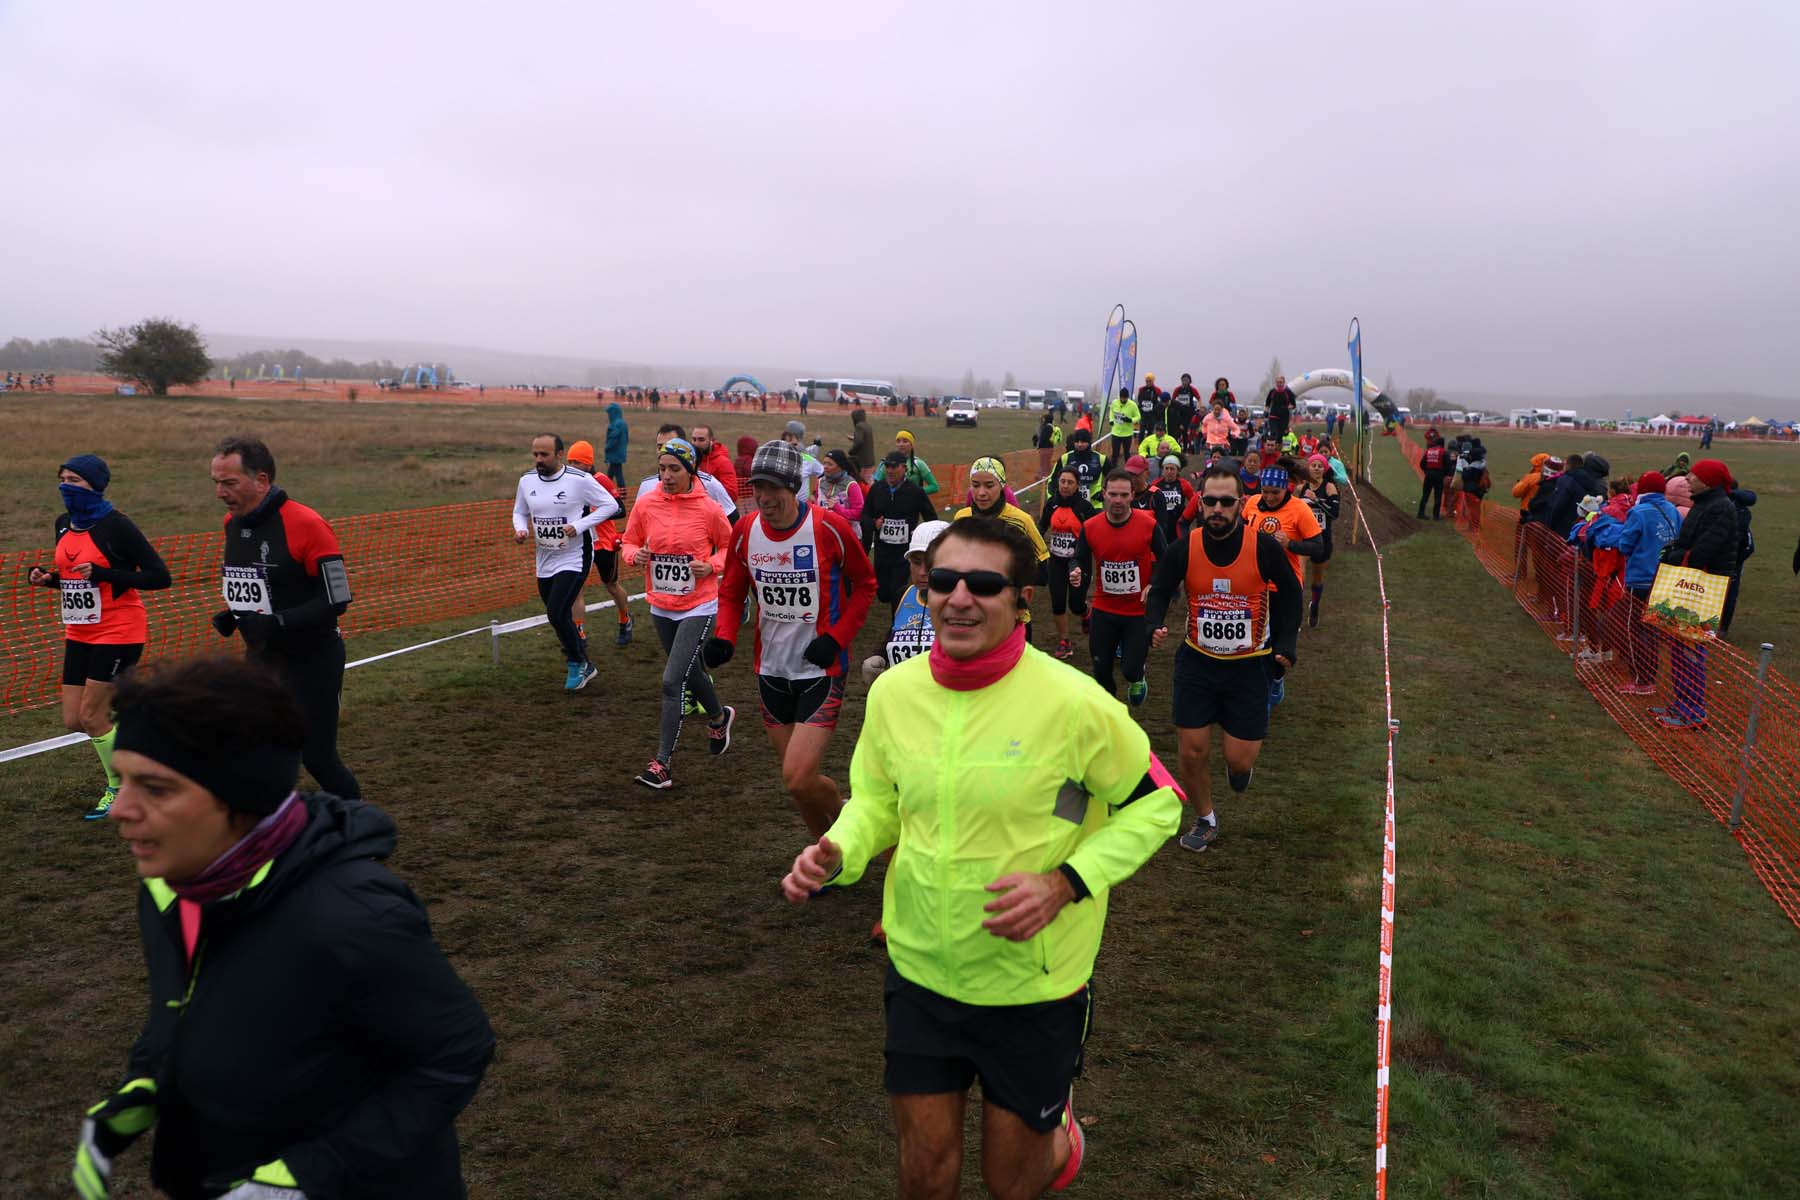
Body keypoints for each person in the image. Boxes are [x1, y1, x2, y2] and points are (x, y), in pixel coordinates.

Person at [780, 516, 1182, 1200]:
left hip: (1033, 988)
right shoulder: (893, 694)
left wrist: (1066, 882)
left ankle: (1058, 1137)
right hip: (921, 971)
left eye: (985, 584)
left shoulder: (1075, 702)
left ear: (1022, 599)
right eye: (943, 580)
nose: (959, 597)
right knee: (923, 1176)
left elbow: (1159, 803)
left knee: (1012, 1185)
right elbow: (878, 802)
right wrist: (837, 850)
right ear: (924, 588)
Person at [75, 656, 493, 1200]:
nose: (120, 809)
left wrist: (306, 1174)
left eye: (155, 788)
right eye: (123, 780)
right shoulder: (169, 887)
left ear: (241, 798)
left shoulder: (351, 916)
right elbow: (185, 1007)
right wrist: (144, 1085)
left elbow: (454, 1053)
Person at [710, 440, 875, 836]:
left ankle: (853, 824)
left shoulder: (827, 527)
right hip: (770, 670)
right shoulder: (745, 531)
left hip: (821, 668)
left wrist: (836, 639)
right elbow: (731, 592)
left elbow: (866, 584)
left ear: (793, 487)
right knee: (796, 785)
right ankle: (828, 854)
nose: (764, 498)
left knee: (800, 778)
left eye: (772, 488)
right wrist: (724, 636)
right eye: (757, 488)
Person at [1146, 464, 1303, 852]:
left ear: (1239, 504)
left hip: (1249, 666)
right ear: (1200, 503)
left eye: (1226, 502)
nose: (1218, 508)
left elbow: (1290, 592)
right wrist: (1153, 623)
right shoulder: (1185, 546)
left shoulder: (1262, 547)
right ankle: (1205, 818)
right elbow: (1162, 588)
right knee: (1191, 749)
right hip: (1197, 662)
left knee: (1238, 759)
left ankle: (1240, 771)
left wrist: (1285, 643)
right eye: (1210, 501)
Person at [207, 436, 360, 801]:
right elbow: (261, 586)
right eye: (216, 482)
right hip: (262, 659)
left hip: (313, 659)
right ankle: (269, 837)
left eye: (229, 483)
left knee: (318, 759)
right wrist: (236, 615)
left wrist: (278, 623)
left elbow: (337, 599)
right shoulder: (233, 523)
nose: (219, 492)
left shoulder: (307, 524)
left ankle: (361, 835)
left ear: (261, 481)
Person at [26, 453, 171, 819]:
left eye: (74, 480)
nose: (65, 487)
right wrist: (50, 580)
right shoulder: (63, 524)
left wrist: (107, 574)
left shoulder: (118, 526)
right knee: (74, 720)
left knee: (92, 717)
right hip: (80, 629)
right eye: (62, 479)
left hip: (120, 628)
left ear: (95, 484)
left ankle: (120, 788)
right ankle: (145, 741)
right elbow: (79, 579)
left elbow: (159, 576)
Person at [621, 438, 736, 788]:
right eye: (662, 468)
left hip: (699, 605)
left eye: (674, 469)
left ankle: (662, 764)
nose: (667, 476)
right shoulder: (646, 503)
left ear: (690, 471)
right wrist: (633, 556)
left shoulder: (708, 508)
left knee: (672, 681)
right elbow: (627, 540)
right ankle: (719, 718)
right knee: (689, 669)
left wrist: (711, 565)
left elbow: (731, 548)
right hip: (660, 604)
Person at [510, 434, 622, 690]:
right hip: (545, 557)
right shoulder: (527, 481)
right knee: (557, 614)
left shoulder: (579, 480)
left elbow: (611, 505)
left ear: (559, 454)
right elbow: (520, 510)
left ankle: (576, 662)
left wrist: (580, 525)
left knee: (557, 611)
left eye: (544, 455)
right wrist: (521, 529)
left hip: (575, 555)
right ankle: (584, 660)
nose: (538, 460)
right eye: (535, 454)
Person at [1655, 458, 1739, 730]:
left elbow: (1703, 550)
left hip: (1702, 589)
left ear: (1709, 481)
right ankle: (1681, 702)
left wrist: (1675, 555)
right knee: (1679, 647)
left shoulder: (1721, 509)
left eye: (1693, 475)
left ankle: (1693, 710)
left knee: (1690, 649)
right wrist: (1673, 550)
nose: (1688, 479)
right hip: (1689, 582)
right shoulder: (1704, 504)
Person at [1073, 470, 1166, 705]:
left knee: (1129, 669)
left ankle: (1138, 678)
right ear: (1103, 494)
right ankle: (1112, 709)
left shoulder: (1148, 525)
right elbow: (1079, 559)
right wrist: (1075, 572)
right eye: (1112, 494)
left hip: (1137, 612)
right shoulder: (1091, 527)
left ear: (1132, 495)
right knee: (1101, 670)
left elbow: (1167, 560)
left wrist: (1153, 584)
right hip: (1104, 610)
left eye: (1123, 495)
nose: (1117, 500)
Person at [1592, 472, 1681, 693]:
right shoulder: (1672, 510)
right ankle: (1649, 676)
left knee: (1634, 629)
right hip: (1665, 577)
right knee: (1652, 630)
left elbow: (1625, 545)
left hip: (1640, 580)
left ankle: (1642, 679)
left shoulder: (1638, 512)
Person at [1246, 463, 1324, 708]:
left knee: (1280, 649)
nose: (1269, 497)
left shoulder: (1299, 509)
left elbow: (1318, 547)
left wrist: (1290, 543)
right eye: (1265, 491)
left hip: (1285, 589)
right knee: (1257, 646)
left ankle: (1277, 679)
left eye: (1275, 493)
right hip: (1254, 586)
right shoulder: (1251, 504)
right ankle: (1260, 695)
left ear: (1286, 490)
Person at [954, 457, 1049, 642]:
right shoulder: (961, 519)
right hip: (971, 617)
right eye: (975, 485)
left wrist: (1005, 578)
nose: (981, 493)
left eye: (989, 485)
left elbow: (1044, 572)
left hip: (1013, 619)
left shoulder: (1022, 521)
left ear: (1002, 486)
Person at [861, 519, 950, 682]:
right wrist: (879, 655)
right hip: (903, 698)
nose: (923, 572)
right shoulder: (903, 594)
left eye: (931, 563)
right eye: (916, 562)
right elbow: (896, 630)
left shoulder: (963, 603)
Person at [565, 439, 634, 647]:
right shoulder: (568, 483)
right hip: (582, 545)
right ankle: (579, 633)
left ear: (588, 464)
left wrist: (594, 514)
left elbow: (620, 510)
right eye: (569, 462)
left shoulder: (600, 480)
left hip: (604, 543)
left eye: (577, 462)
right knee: (576, 590)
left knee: (611, 585)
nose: (572, 467)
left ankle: (625, 619)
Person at [862, 449, 940, 619]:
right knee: (883, 594)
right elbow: (865, 516)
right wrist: (874, 523)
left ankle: (896, 626)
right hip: (882, 551)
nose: (889, 470)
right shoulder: (877, 489)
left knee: (897, 590)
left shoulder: (915, 492)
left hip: (904, 553)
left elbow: (932, 518)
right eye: (887, 466)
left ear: (904, 468)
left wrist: (920, 533)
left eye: (894, 467)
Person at [1037, 467, 1094, 661]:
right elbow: (1041, 527)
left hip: (1079, 563)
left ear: (1077, 485)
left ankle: (1085, 612)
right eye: (1062, 481)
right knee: (1058, 603)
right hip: (1057, 562)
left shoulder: (1085, 508)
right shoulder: (1052, 504)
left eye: (1070, 482)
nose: (1065, 486)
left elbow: (1096, 533)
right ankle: (1064, 642)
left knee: (1075, 605)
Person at [1293, 454, 1341, 627]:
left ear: (1325, 469)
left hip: (1321, 539)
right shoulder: (1300, 488)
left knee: (1317, 578)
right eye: (1313, 465)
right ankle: (1296, 613)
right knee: (1300, 574)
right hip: (1304, 537)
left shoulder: (1330, 488)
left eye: (1320, 466)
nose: (1316, 468)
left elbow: (1334, 513)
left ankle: (1315, 605)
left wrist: (1317, 500)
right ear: (1308, 467)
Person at [1147, 455, 1194, 545]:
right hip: (1161, 522)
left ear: (1178, 470)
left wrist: (1186, 515)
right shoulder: (1156, 484)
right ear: (1162, 470)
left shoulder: (1184, 484)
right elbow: (1149, 501)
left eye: (1172, 469)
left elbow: (1193, 501)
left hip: (1178, 523)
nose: (1169, 472)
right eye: (1166, 468)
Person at [779, 420, 828, 503]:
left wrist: (815, 493)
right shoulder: (778, 456)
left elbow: (823, 474)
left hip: (802, 507)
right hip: (782, 505)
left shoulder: (806, 458)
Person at [689, 423, 739, 502]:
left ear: (712, 440)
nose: (696, 444)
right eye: (694, 439)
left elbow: (731, 495)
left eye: (701, 440)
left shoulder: (723, 463)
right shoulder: (689, 460)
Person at [1056, 425, 1106, 500]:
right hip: (1070, 503)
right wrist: (1055, 497)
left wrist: (1103, 493)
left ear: (1089, 442)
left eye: (1083, 441)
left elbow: (1113, 478)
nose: (1079, 444)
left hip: (1094, 504)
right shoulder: (1065, 458)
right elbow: (1052, 480)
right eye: (1077, 441)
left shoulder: (1100, 458)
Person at [817, 449, 866, 524]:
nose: (825, 467)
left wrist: (837, 509)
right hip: (824, 532)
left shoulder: (851, 485)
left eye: (830, 464)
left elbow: (859, 513)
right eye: (824, 463)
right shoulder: (820, 482)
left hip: (846, 533)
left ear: (840, 467)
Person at [1416, 428, 1452, 519]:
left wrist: (1426, 471)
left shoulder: (1429, 451)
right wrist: (1445, 474)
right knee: (1438, 495)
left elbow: (1422, 464)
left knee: (1425, 495)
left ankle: (1420, 513)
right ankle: (1436, 516)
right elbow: (1448, 465)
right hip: (1439, 476)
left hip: (1428, 475)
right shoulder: (1444, 452)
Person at [893, 430, 940, 496]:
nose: (901, 444)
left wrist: (914, 493)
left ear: (911, 445)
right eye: (898, 441)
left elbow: (935, 487)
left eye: (905, 441)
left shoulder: (919, 463)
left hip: (913, 504)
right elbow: (877, 484)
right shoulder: (887, 463)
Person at [1107, 386, 1141, 467]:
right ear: (1119, 396)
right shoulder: (1115, 402)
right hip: (1116, 433)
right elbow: (1111, 411)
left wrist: (1130, 420)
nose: (1123, 400)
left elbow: (1138, 416)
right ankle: (1113, 470)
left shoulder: (1132, 405)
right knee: (1115, 454)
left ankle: (1128, 470)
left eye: (1125, 398)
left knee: (1127, 454)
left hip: (1127, 434)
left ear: (1127, 397)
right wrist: (1111, 420)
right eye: (1122, 398)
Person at [1167, 373, 1202, 447]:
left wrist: (1199, 408)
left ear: (1189, 381)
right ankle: (1176, 446)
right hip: (1179, 412)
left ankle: (1187, 447)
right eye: (1183, 380)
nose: (1185, 382)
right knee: (1178, 430)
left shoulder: (1192, 389)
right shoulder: (1178, 389)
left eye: (1186, 380)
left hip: (1189, 412)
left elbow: (1199, 399)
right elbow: (1172, 400)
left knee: (1186, 430)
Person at [603, 401, 629, 488]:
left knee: (618, 474)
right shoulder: (622, 423)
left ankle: (622, 492)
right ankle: (608, 489)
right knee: (611, 473)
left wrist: (607, 447)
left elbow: (613, 438)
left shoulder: (616, 424)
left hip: (614, 454)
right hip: (619, 452)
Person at [849, 408, 877, 483]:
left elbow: (859, 442)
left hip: (863, 461)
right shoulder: (867, 425)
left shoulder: (859, 426)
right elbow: (865, 439)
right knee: (869, 480)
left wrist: (851, 451)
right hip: (870, 459)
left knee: (863, 482)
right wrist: (854, 438)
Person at [1265, 375, 1296, 442]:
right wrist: (1266, 409)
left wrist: (1289, 407)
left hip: (1284, 416)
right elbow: (1267, 403)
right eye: (1278, 382)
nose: (1279, 384)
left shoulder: (1288, 391)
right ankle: (1272, 449)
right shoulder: (1272, 391)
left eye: (1281, 382)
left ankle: (1278, 451)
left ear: (1284, 382)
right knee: (1273, 433)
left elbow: (1293, 405)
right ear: (1276, 383)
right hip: (1273, 415)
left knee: (1280, 436)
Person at [1034, 410, 1063, 481]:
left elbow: (1043, 438)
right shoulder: (1050, 427)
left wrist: (1039, 446)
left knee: (1044, 462)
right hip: (1049, 447)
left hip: (1045, 448)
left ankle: (1042, 477)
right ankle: (1049, 475)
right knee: (1046, 462)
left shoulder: (1047, 428)